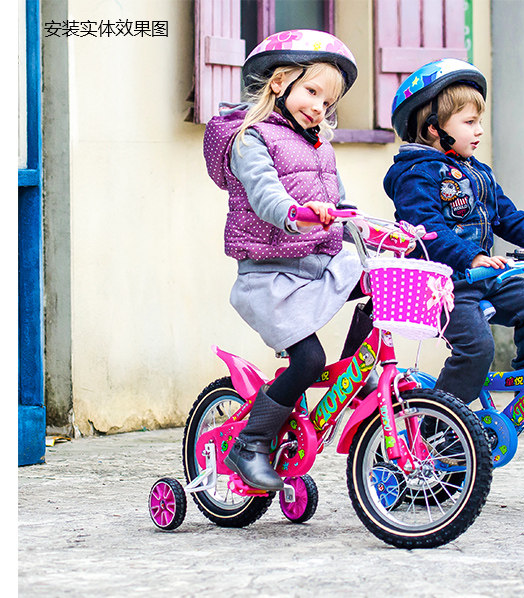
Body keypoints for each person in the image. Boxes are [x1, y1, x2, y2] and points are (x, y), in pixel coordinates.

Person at [203, 29, 370, 490]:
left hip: (318, 263)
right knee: (309, 360)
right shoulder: (251, 139)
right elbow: (266, 196)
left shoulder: (320, 146)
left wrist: (385, 235)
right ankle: (250, 443)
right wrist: (297, 216)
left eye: (327, 101)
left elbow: (343, 208)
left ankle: (356, 378)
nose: (319, 107)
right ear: (279, 82)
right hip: (270, 274)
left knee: (381, 285)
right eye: (312, 91)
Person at [383, 58, 524, 409]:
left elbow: (510, 219)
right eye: (470, 122)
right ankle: (440, 424)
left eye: (479, 122)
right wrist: (470, 255)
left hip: (485, 275)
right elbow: (428, 230)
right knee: (477, 347)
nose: (479, 131)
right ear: (433, 129)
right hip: (443, 286)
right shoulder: (415, 175)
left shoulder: (478, 172)